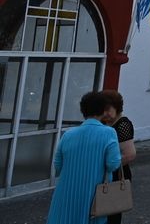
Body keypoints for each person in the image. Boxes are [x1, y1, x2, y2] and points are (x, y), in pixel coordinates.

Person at [46, 91, 122, 224]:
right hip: (94, 194)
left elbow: (58, 164)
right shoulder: (109, 133)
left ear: (83, 110)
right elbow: (113, 164)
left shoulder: (68, 134)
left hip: (66, 192)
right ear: (103, 110)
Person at [101, 90, 136, 224]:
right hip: (105, 173)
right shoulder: (104, 123)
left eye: (108, 110)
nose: (105, 114)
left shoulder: (123, 125)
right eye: (102, 110)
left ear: (117, 107)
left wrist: (107, 166)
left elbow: (129, 155)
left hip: (117, 174)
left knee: (112, 213)